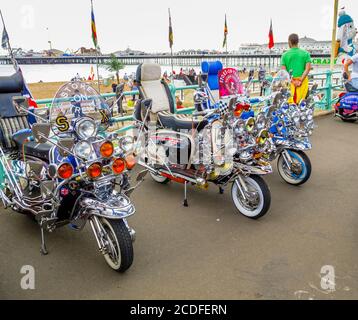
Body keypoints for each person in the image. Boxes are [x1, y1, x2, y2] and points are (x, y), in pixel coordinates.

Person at [281, 33, 312, 104]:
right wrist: (300, 80)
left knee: (290, 105)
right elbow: (307, 69)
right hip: (303, 83)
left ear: (289, 42)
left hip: (290, 83)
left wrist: (293, 81)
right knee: (303, 105)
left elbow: (283, 71)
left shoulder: (284, 55)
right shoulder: (306, 53)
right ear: (298, 42)